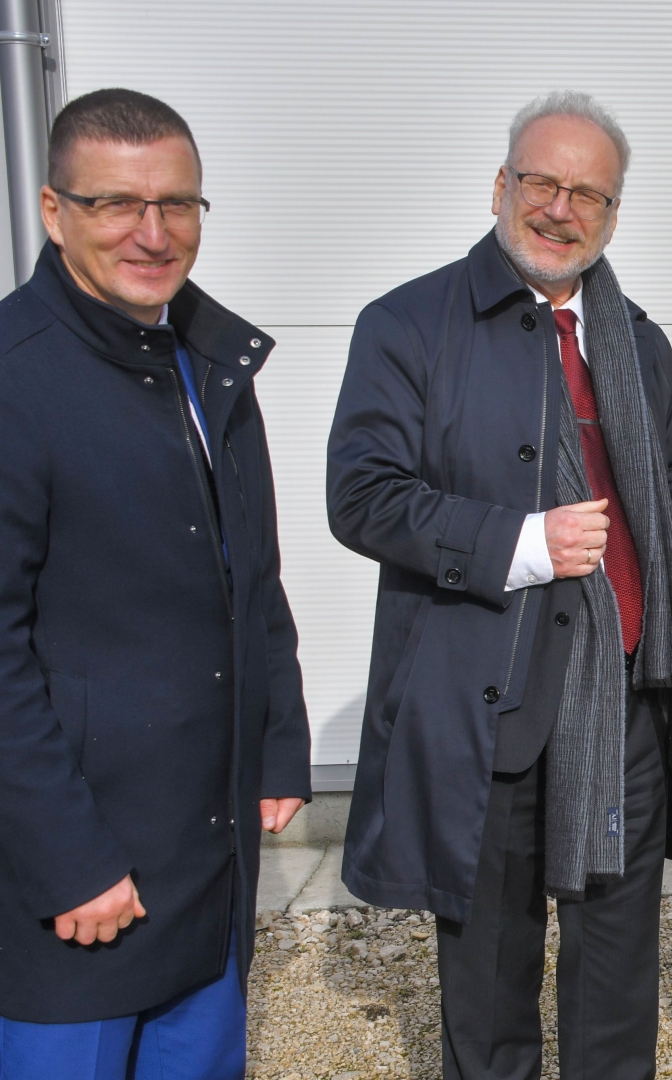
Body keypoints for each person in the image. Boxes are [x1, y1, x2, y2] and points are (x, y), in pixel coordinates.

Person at [328, 90, 672, 1080]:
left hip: (625, 702)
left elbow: (661, 478)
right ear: (499, 185)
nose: (559, 209)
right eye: (541, 182)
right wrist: (521, 542)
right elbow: (362, 497)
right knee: (490, 984)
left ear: (613, 214)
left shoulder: (638, 342)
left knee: (618, 981)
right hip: (488, 703)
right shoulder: (408, 324)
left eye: (587, 193)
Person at [0, 89, 311, 1078]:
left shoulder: (210, 359)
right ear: (54, 213)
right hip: (75, 882)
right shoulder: (14, 378)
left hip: (205, 850)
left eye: (177, 203)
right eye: (116, 205)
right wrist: (69, 860)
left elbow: (252, 571)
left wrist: (277, 742)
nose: (153, 232)